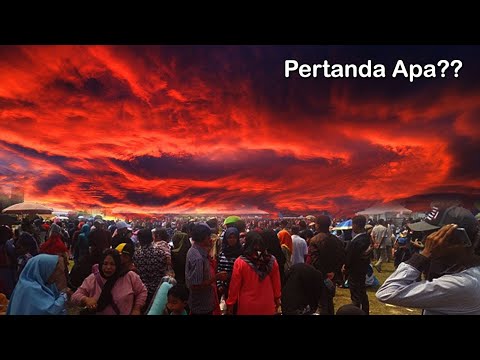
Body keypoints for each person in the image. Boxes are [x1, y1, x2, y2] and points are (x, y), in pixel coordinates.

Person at [376, 206, 480, 314]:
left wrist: (424, 254)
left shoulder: (463, 284)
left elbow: (387, 292)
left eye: (430, 235)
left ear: (455, 238)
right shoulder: (463, 269)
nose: (425, 240)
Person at [71, 249, 147, 315]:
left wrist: (136, 309)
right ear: (101, 264)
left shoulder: (129, 276)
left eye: (112, 264)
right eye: (105, 263)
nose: (108, 267)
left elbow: (142, 291)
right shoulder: (93, 279)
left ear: (118, 265)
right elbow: (75, 296)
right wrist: (86, 300)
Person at [226, 231, 281, 315]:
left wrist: (230, 303)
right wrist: (277, 299)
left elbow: (234, 286)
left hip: (247, 305)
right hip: (267, 304)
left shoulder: (240, 262)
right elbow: (276, 284)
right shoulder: (272, 260)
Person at [185, 223, 227, 315]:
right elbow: (196, 285)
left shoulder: (193, 250)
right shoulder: (198, 258)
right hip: (202, 305)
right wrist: (216, 278)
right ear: (203, 238)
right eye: (209, 237)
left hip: (201, 302)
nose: (210, 239)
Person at [343, 215, 371, 315]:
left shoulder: (357, 241)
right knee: (362, 293)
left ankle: (356, 312)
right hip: (362, 269)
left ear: (356, 225)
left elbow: (350, 257)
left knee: (355, 295)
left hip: (355, 270)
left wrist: (345, 267)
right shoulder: (366, 237)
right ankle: (364, 311)